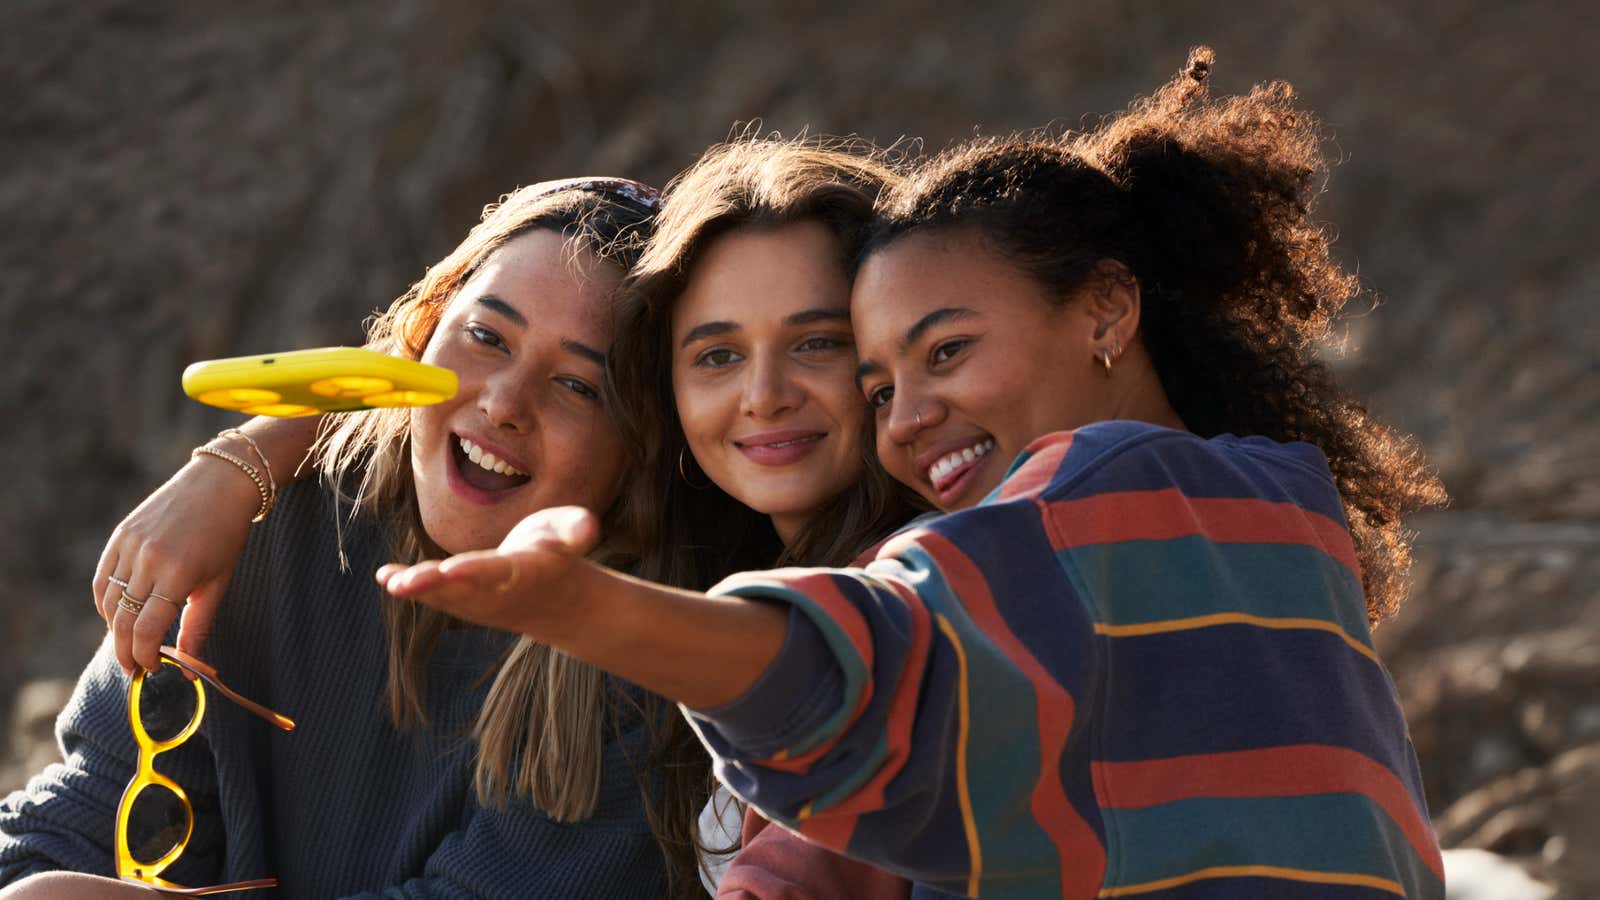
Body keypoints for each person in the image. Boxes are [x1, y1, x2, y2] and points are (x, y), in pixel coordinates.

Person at [377, 50, 1450, 898]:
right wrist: (251, 453)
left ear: (1106, 310)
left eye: (940, 352)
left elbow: (868, 672)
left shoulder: (1089, 513)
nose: (910, 414)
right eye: (884, 381)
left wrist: (589, 609)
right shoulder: (1275, 503)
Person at [0, 178, 705, 898]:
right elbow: (80, 812)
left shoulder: (644, 662)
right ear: (426, 328)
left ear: (644, 445)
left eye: (580, 387)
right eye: (487, 337)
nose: (503, 404)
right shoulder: (278, 514)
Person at [604, 135, 921, 897]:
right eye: (718, 355)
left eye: (818, 343)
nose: (765, 394)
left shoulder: (921, 587)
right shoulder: (703, 588)